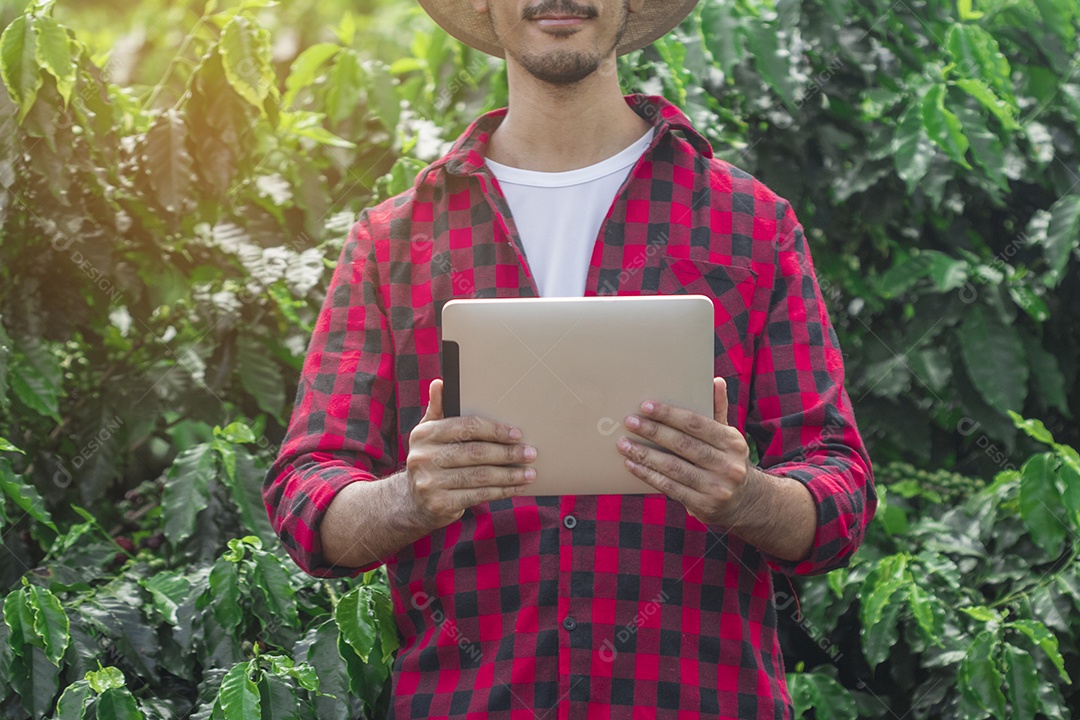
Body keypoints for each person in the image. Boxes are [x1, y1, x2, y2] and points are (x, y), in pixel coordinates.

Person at [263, 0, 876, 716]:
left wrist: (744, 496)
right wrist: (411, 494)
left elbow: (841, 492)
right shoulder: (394, 239)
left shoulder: (751, 222)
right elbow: (306, 501)